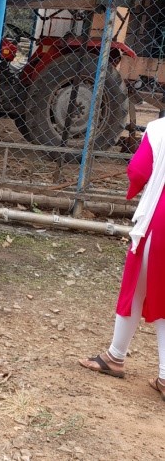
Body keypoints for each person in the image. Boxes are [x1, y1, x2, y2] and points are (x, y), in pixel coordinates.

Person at [79, 117, 165, 399]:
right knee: (144, 290)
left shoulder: (158, 128)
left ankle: (159, 373)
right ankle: (115, 355)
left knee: (139, 289)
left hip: (159, 223)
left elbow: (138, 171)